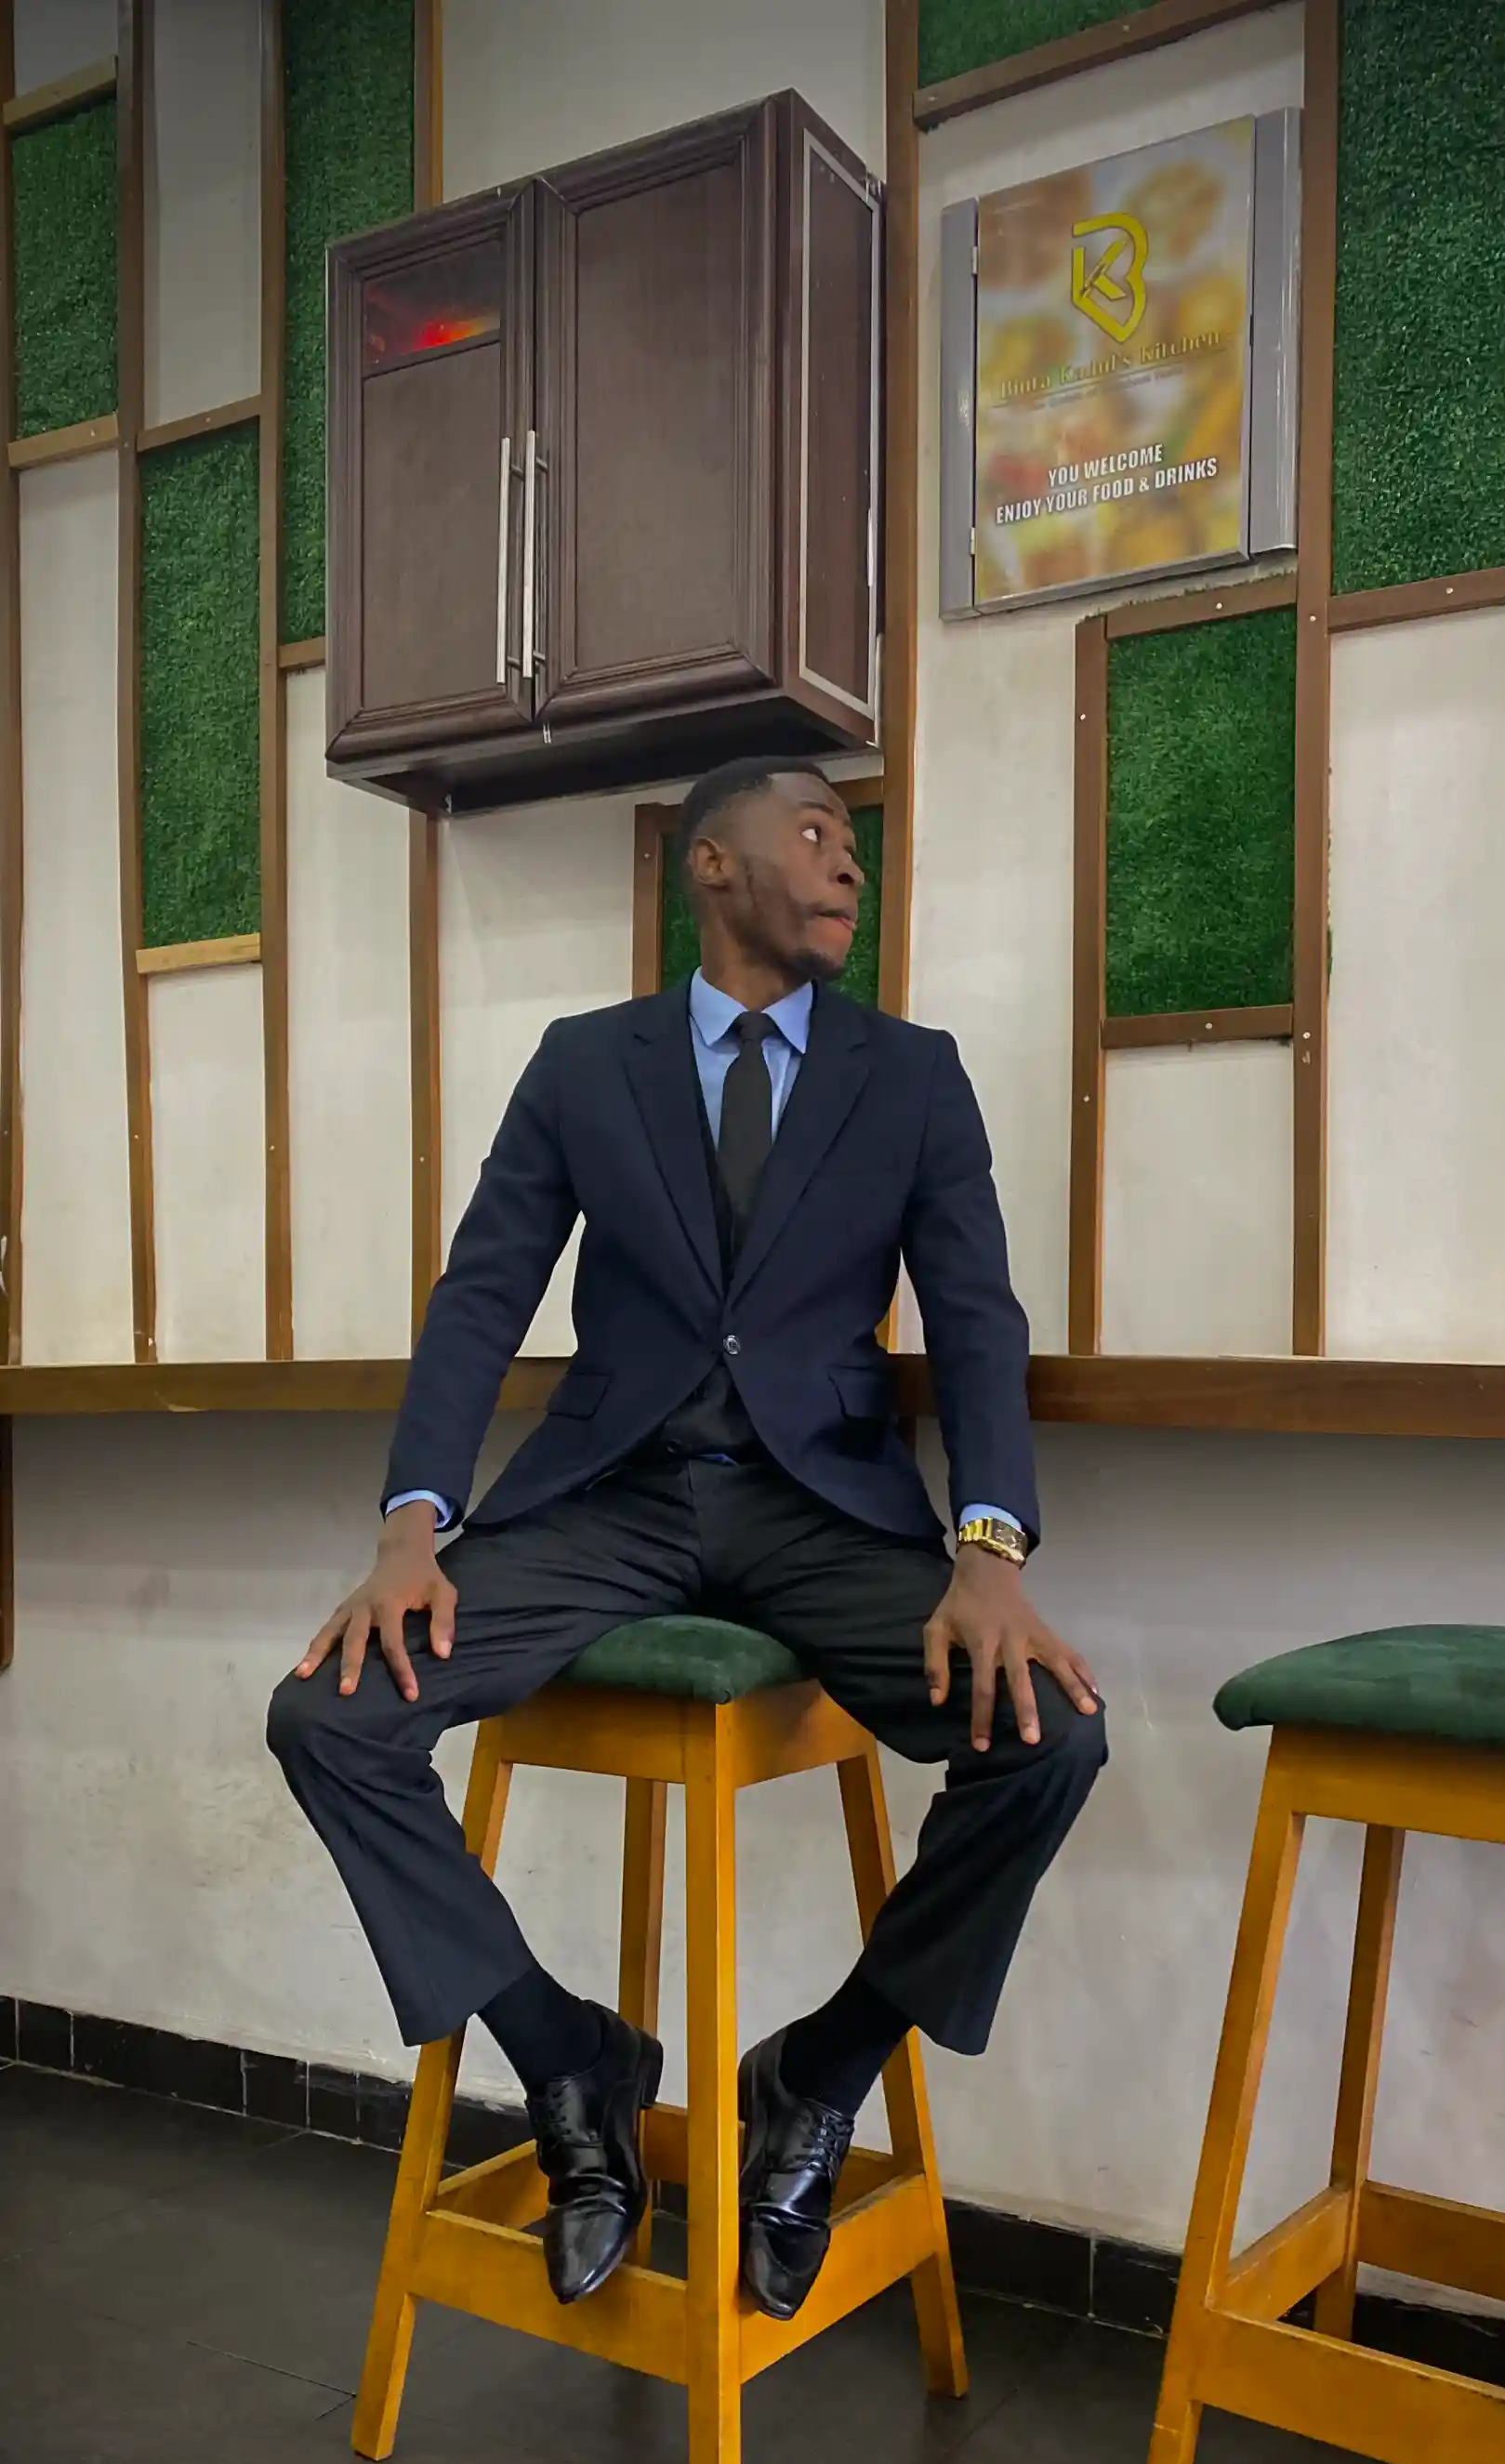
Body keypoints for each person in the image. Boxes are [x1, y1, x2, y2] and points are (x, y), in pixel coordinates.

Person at [268, 757, 1106, 2321]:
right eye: (817, 834)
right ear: (712, 864)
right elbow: (482, 1295)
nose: (848, 867)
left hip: (821, 1504)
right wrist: (411, 1523)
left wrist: (990, 1547)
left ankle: (818, 2071)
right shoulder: (586, 1063)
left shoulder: (912, 1075)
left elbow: (978, 1317)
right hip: (615, 1498)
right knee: (329, 1715)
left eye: (855, 847)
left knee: (1052, 1738)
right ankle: (570, 2056)